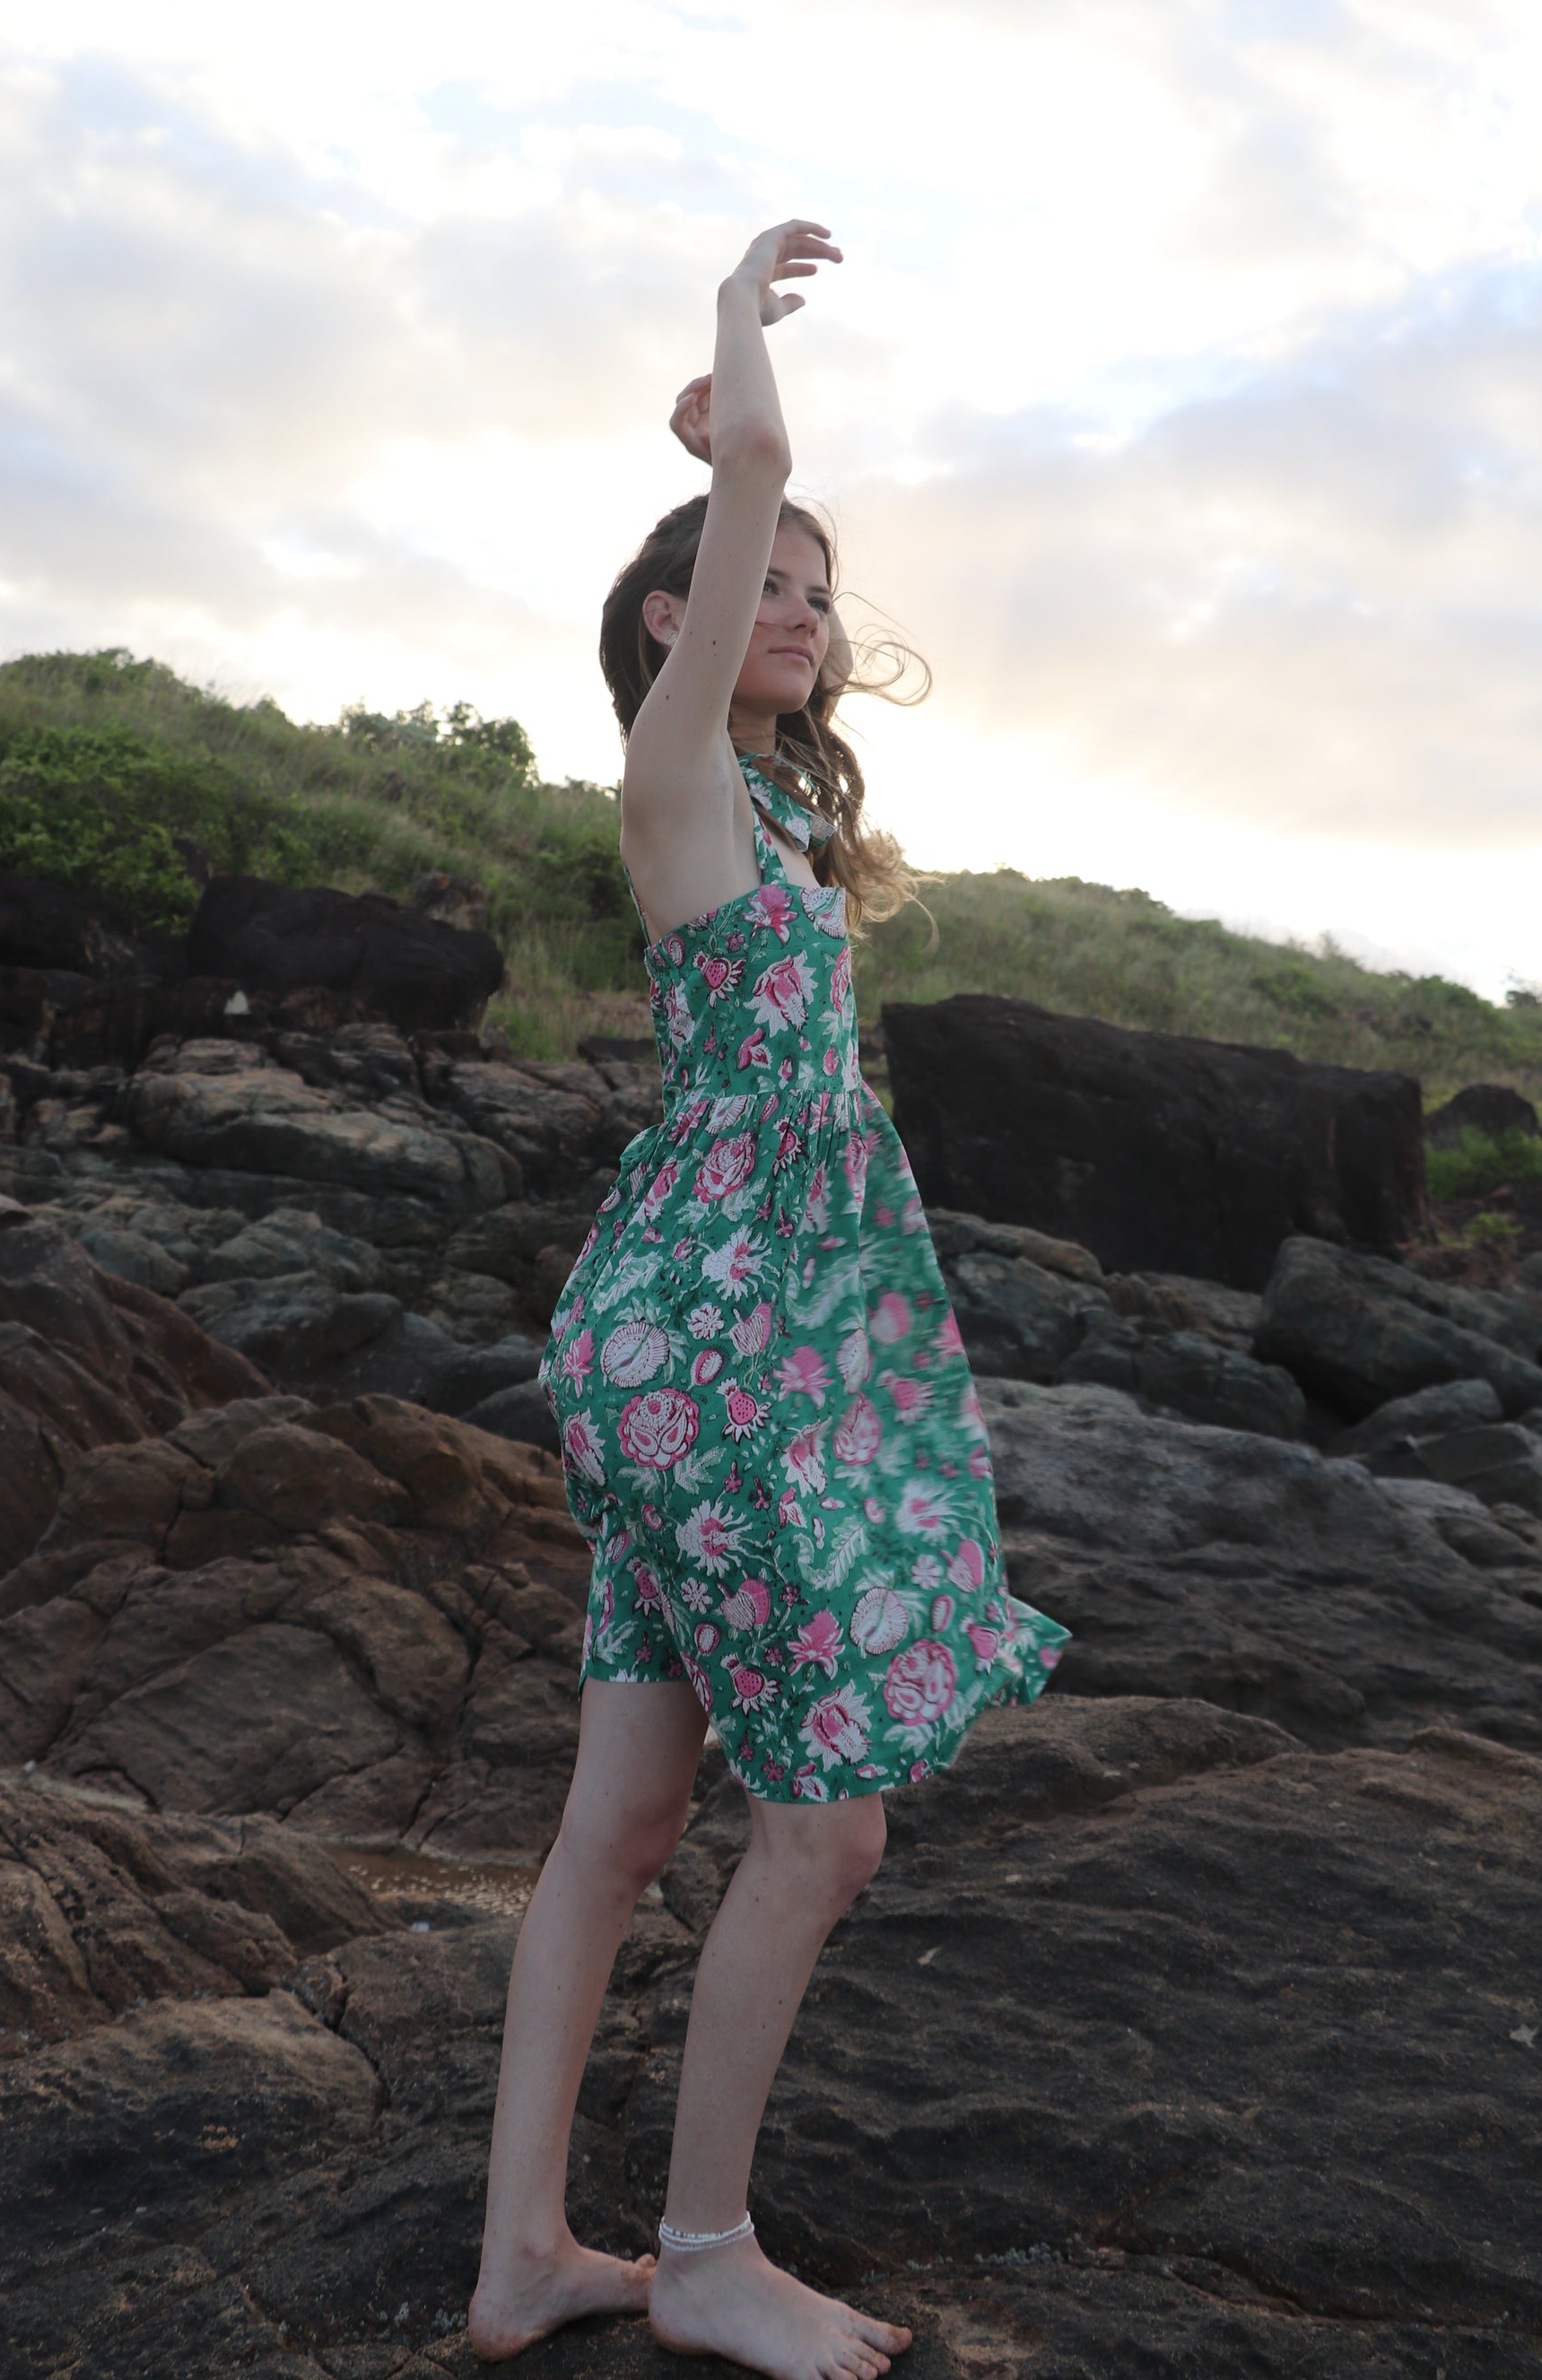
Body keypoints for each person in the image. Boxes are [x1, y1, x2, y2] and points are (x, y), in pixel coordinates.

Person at [466, 221, 1069, 2380]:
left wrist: (728, 459)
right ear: (674, 621)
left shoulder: (766, 827)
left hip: (695, 1340)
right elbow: (737, 513)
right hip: (716, 1357)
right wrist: (731, 353)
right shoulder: (671, 778)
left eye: (820, 589)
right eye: (766, 581)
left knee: (624, 1821)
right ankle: (702, 2247)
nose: (803, 611)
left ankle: (526, 2249)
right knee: (825, 1821)